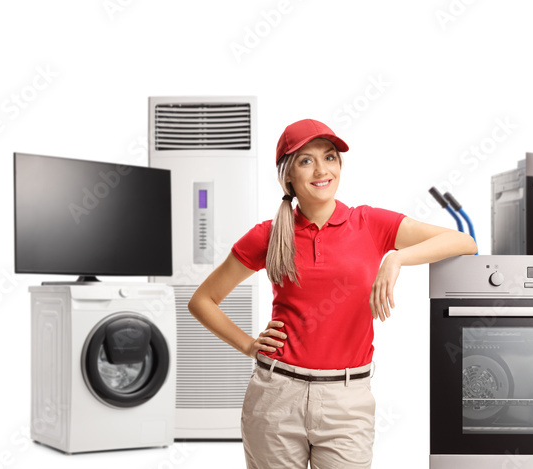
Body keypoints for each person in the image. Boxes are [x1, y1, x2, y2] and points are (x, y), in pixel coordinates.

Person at [188, 118, 477, 468]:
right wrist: (249, 345)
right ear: (288, 175)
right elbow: (202, 300)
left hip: (347, 401)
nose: (322, 169)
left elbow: (463, 242)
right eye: (306, 160)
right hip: (276, 396)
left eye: (330, 157)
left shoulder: (370, 223)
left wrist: (397, 257)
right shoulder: (268, 234)